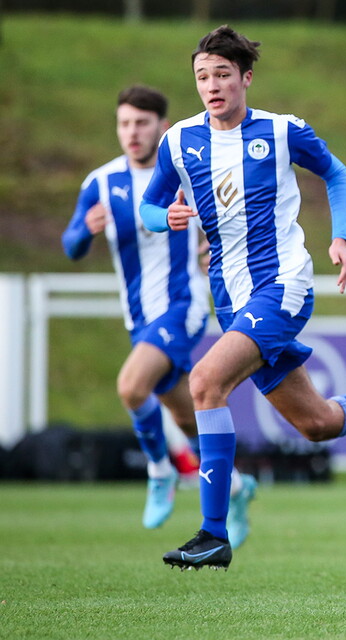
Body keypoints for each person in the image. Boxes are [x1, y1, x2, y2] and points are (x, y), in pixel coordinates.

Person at [139, 26, 346, 571]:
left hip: (284, 286)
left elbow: (336, 171)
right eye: (203, 76)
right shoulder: (179, 141)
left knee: (204, 382)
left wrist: (339, 237)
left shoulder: (280, 131)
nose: (212, 85)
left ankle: (212, 531)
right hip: (232, 300)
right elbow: (151, 207)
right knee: (315, 423)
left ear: (246, 78)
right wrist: (167, 216)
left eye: (223, 74)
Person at [62, 86, 258, 544]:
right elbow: (70, 244)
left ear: (162, 128)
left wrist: (215, 250)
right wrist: (84, 233)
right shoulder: (101, 182)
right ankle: (238, 487)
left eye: (141, 123)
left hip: (182, 307)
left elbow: (230, 224)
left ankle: (159, 471)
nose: (132, 132)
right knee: (191, 419)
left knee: (132, 386)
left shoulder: (185, 176)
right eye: (124, 123)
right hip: (139, 319)